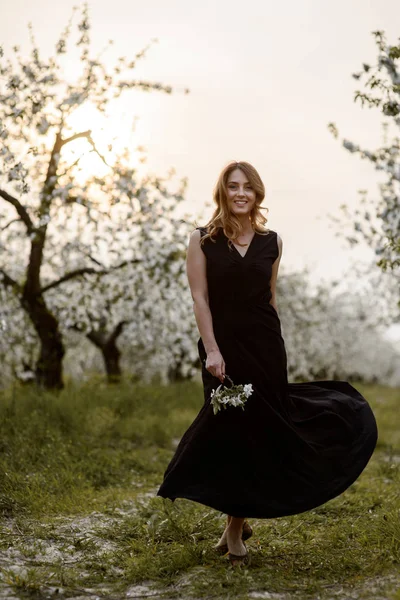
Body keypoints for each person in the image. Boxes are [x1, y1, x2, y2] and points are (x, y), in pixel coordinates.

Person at [156, 160, 378, 568]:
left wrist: (276, 347)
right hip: (222, 347)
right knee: (230, 429)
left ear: (258, 194)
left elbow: (270, 299)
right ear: (222, 191)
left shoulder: (272, 241)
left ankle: (234, 530)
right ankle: (236, 526)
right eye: (233, 186)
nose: (241, 193)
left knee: (260, 430)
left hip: (264, 346)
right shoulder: (202, 240)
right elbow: (200, 299)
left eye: (248, 187)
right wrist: (213, 350)